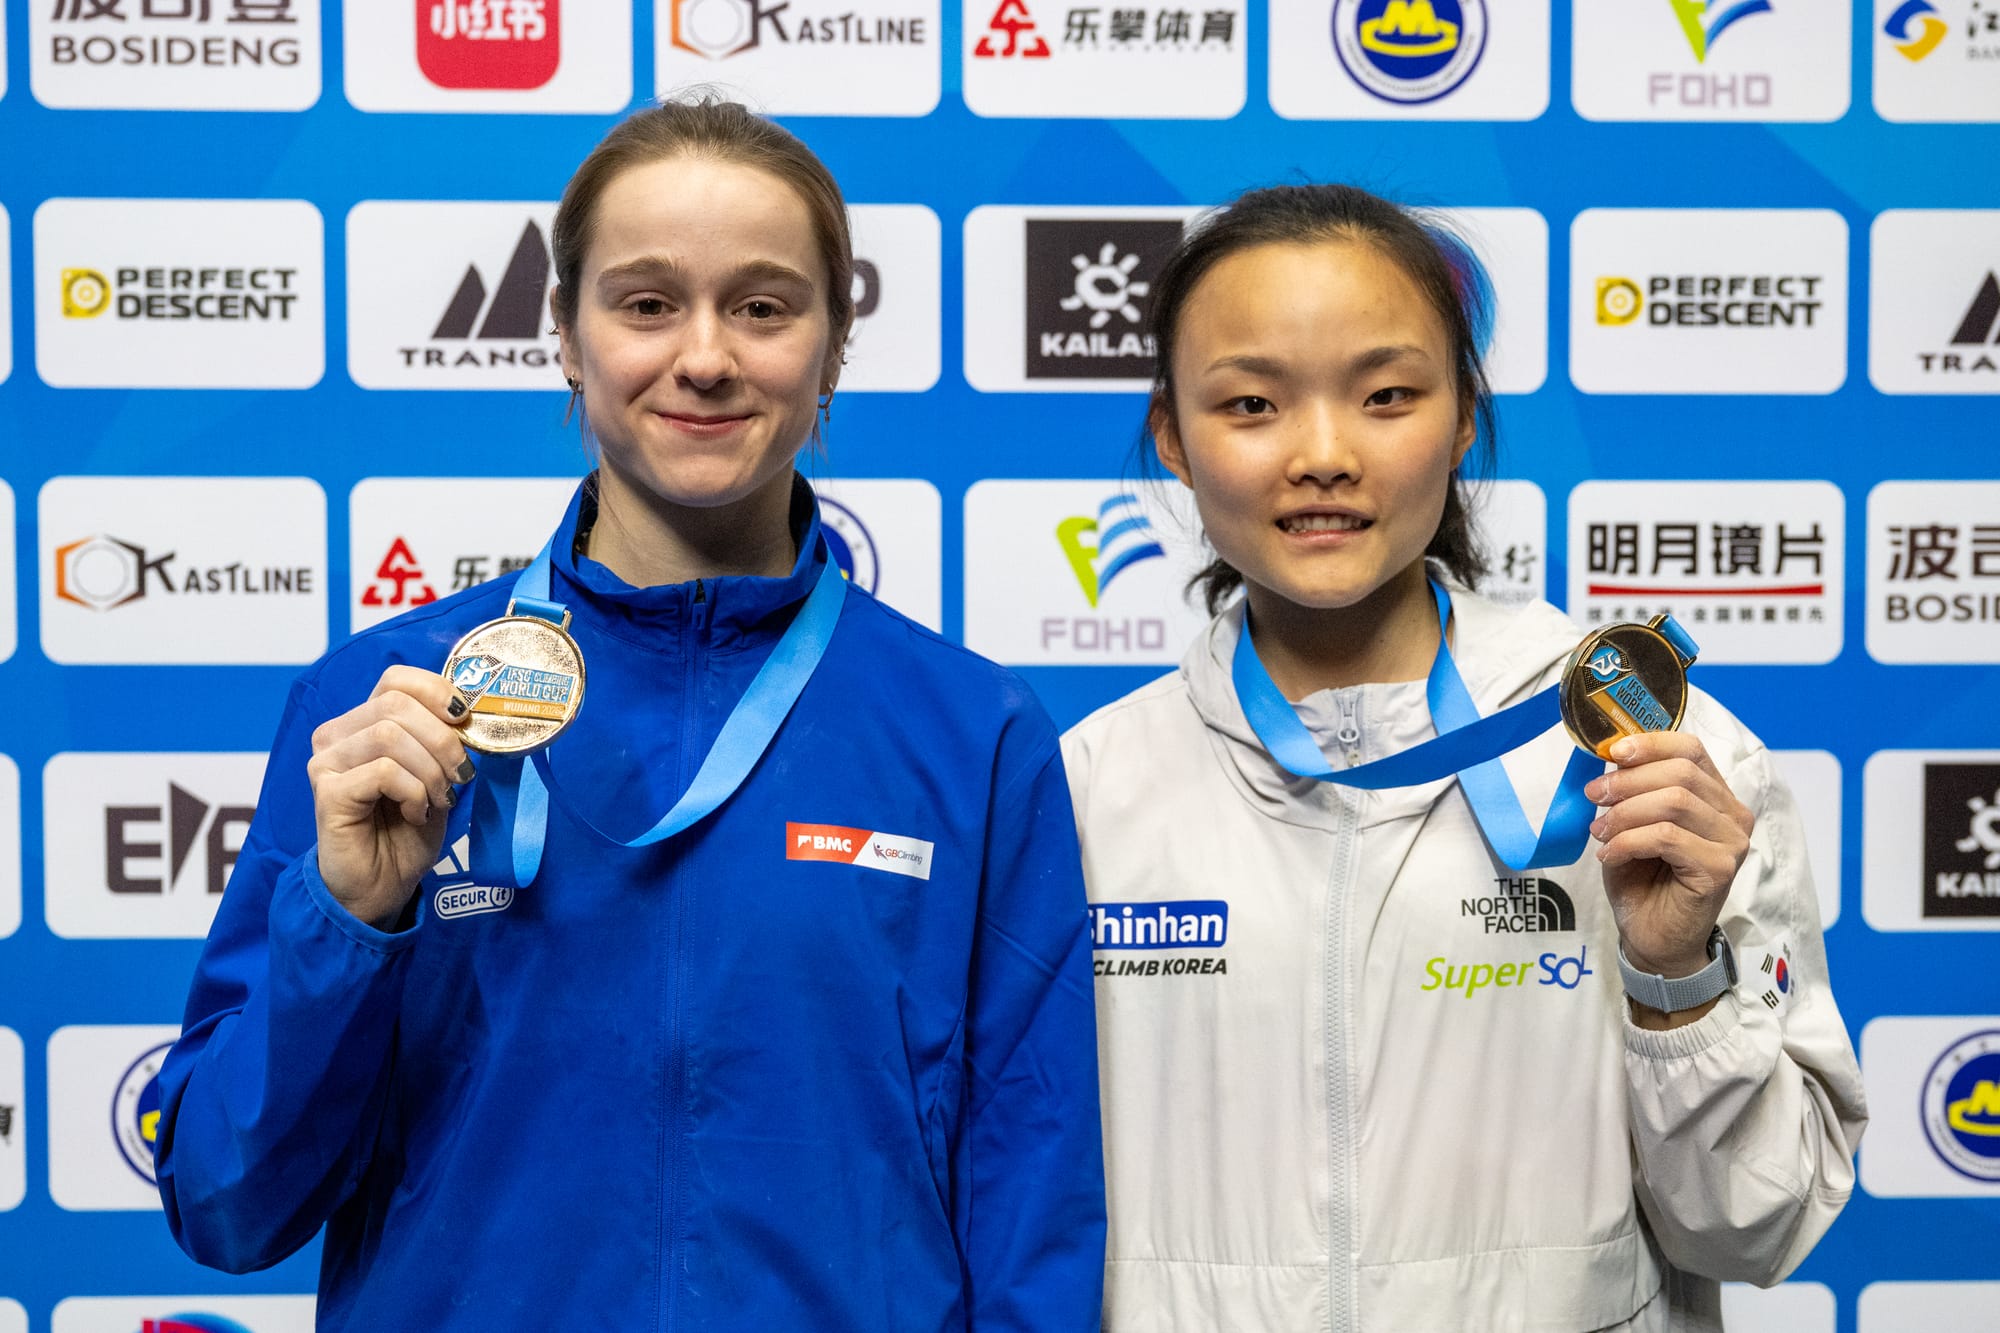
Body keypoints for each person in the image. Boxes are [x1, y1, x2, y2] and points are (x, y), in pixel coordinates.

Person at [156, 98, 1106, 1331]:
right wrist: (347, 918)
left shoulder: (968, 735)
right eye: (645, 303)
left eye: (762, 307)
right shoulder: (382, 702)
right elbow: (225, 1203)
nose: (704, 355)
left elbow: (1031, 1213)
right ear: (563, 334)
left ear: (834, 347)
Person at [1061, 184, 1866, 1331]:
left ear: (1461, 420)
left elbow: (1759, 1226)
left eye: (1386, 396)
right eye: (1249, 403)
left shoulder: (1652, 755)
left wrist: (1676, 978)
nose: (1324, 454)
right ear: (1172, 441)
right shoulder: (1084, 790)